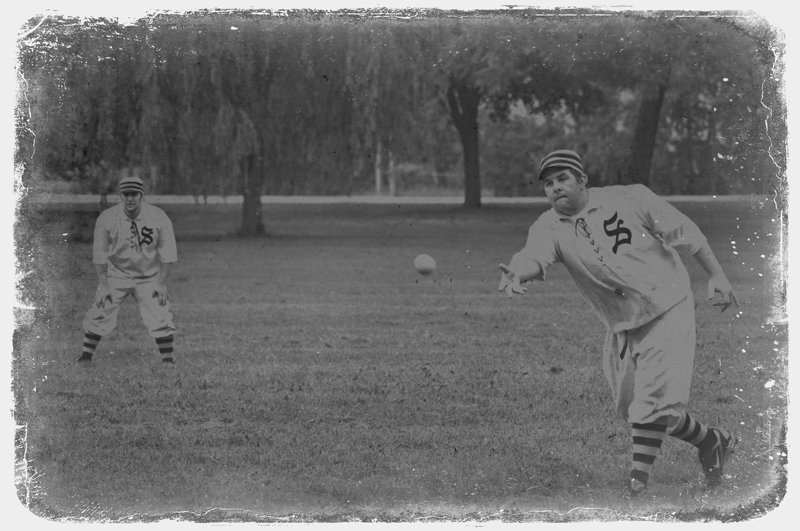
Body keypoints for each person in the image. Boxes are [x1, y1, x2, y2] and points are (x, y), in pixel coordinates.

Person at [498, 149, 740, 497]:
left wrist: (716, 274)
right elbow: (535, 256)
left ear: (582, 180)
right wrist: (517, 272)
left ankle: (636, 491)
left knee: (651, 405)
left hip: (668, 305)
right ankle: (715, 442)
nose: (555, 188)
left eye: (562, 178)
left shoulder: (629, 197)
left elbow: (683, 231)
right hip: (623, 326)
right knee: (637, 410)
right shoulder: (548, 225)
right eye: (548, 184)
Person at [78, 176, 178, 364]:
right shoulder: (107, 218)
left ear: (142, 196)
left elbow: (168, 253)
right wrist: (104, 284)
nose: (130, 199)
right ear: (120, 196)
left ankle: (168, 362)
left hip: (149, 275)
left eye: (134, 194)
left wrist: (161, 283)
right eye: (126, 194)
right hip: (117, 273)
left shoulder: (158, 217)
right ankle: (85, 357)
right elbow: (99, 255)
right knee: (100, 310)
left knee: (160, 314)